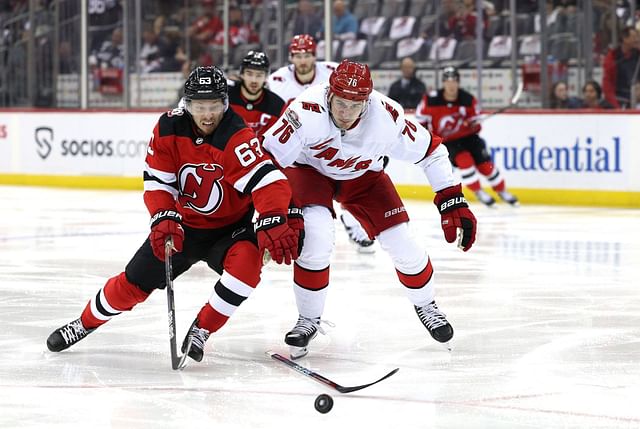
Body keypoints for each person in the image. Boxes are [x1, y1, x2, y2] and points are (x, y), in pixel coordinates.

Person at [46, 66, 302, 363]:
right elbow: (158, 182)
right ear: (186, 104)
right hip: (182, 226)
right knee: (131, 285)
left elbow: (268, 181)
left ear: (225, 104)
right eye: (198, 107)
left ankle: (202, 329)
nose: (207, 115)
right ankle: (85, 323)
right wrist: (164, 215)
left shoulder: (237, 134)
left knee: (247, 267)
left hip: (230, 229)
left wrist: (272, 216)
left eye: (214, 107)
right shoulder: (168, 127)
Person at [262, 60, 478, 359]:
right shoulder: (304, 111)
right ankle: (308, 319)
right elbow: (267, 161)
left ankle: (427, 304)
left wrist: (451, 197)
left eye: (355, 105)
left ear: (368, 101)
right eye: (340, 103)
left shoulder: (387, 116)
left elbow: (432, 151)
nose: (346, 112)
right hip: (309, 172)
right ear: (328, 95)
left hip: (363, 176)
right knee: (316, 238)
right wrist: (278, 210)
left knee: (404, 244)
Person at [268, 34, 375, 252]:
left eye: (307, 55)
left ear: (315, 56)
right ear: (291, 57)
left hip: (338, 139)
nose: (303, 61)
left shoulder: (332, 71)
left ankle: (353, 221)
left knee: (350, 179)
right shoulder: (277, 81)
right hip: (301, 148)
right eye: (298, 56)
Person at [415, 66, 518, 207]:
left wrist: (473, 124)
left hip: (469, 138)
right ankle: (478, 191)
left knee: (486, 167)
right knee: (465, 162)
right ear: (444, 83)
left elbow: (477, 125)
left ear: (458, 82)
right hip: (448, 142)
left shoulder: (468, 100)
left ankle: (502, 190)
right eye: (448, 81)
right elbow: (420, 120)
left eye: (454, 81)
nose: (451, 84)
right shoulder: (430, 100)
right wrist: (429, 137)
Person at [228, 50, 285, 137]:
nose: (254, 80)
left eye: (259, 75)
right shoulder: (226, 97)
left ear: (266, 77)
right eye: (249, 74)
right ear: (241, 74)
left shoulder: (277, 105)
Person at [602, 26, 640, 108]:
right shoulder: (613, 57)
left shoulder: (638, 55)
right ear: (625, 39)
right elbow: (607, 84)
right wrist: (616, 106)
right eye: (634, 37)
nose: (637, 40)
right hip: (619, 99)